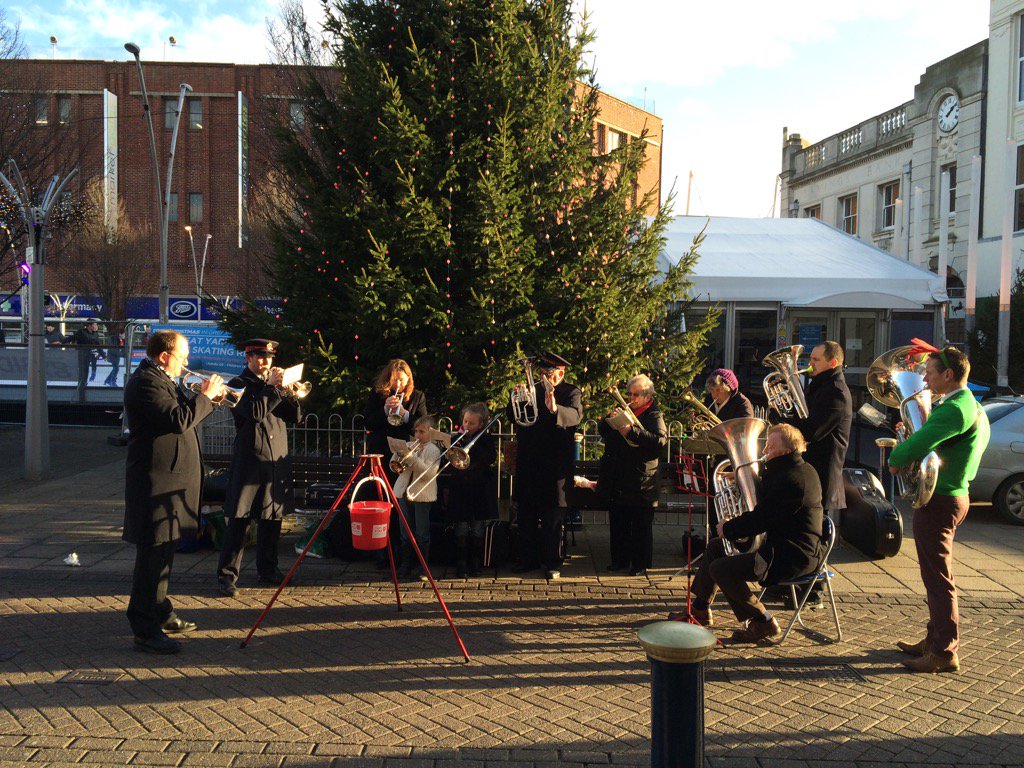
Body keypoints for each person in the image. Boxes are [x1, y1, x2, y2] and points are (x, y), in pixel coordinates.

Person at [671, 424, 825, 644]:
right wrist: (740, 480)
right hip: (780, 546)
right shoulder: (792, 470)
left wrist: (730, 528)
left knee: (720, 569)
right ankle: (700, 609)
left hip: (790, 556)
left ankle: (764, 620)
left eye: (770, 448)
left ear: (786, 451)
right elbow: (768, 506)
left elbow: (761, 519)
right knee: (716, 547)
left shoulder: (793, 480)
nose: (764, 452)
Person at [123, 329, 225, 654]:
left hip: (170, 483)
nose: (186, 363)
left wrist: (206, 398)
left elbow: (185, 411)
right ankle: (145, 629)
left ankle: (161, 612)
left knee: (164, 556)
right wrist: (205, 397)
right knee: (151, 560)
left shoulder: (164, 380)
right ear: (165, 356)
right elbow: (179, 420)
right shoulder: (146, 383)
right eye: (182, 357)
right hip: (155, 484)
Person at [889, 346, 990, 674]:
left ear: (948, 375)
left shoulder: (954, 409)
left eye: (930, 372)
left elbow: (921, 443)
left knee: (938, 579)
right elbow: (935, 440)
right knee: (936, 576)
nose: (925, 378)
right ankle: (934, 641)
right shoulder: (971, 405)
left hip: (941, 499)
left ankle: (944, 652)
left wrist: (897, 456)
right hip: (954, 496)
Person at [216, 339, 302, 597]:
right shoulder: (238, 384)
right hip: (250, 460)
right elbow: (253, 412)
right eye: (261, 356)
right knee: (239, 520)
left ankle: (268, 570)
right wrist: (272, 388)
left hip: (275, 459)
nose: (267, 362)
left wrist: (291, 394)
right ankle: (227, 576)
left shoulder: (274, 386)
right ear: (248, 358)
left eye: (270, 356)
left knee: (272, 519)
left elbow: (294, 418)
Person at [777, 340, 852, 608]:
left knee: (815, 537)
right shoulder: (820, 386)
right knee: (799, 532)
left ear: (833, 362)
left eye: (817, 360)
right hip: (810, 473)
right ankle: (793, 586)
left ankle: (814, 593)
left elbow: (812, 432)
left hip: (822, 475)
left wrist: (785, 420)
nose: (810, 363)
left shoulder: (836, 393)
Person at [508, 351, 583, 580]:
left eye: (548, 373)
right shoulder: (533, 390)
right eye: (541, 373)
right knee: (526, 514)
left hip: (555, 463)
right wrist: (515, 399)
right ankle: (527, 559)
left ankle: (552, 562)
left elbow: (575, 416)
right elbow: (513, 416)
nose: (543, 378)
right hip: (530, 460)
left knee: (552, 518)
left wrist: (554, 409)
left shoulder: (571, 392)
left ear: (560, 372)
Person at [594, 374, 667, 576]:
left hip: (640, 479)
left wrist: (632, 432)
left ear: (646, 396)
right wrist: (608, 421)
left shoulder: (654, 414)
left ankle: (640, 563)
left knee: (640, 525)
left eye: (635, 395)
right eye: (629, 394)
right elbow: (605, 433)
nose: (631, 398)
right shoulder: (626, 410)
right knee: (619, 521)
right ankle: (619, 560)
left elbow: (660, 442)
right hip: (619, 475)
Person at [363, 359, 428, 566]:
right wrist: (384, 410)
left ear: (408, 379)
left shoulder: (417, 397)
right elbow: (368, 421)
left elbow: (423, 424)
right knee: (382, 500)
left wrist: (404, 414)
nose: (397, 385)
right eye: (393, 381)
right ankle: (383, 549)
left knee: (401, 503)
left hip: (404, 457)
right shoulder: (378, 395)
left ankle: (402, 552)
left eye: (401, 380)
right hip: (382, 453)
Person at [445, 403, 498, 578]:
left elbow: (489, 458)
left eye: (472, 423)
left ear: (481, 425)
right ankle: (461, 562)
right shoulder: (457, 438)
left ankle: (476, 562)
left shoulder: (487, 440)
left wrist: (472, 445)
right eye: (465, 421)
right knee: (460, 527)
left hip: (480, 490)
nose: (467, 426)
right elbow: (449, 461)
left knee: (477, 528)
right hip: (460, 489)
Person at [391, 415, 442, 580]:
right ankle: (406, 564)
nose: (418, 435)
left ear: (432, 433)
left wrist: (412, 458)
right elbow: (394, 467)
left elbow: (429, 474)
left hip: (422, 495)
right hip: (403, 493)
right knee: (405, 532)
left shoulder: (433, 450)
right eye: (416, 431)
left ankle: (422, 567)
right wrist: (398, 455)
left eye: (422, 432)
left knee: (421, 532)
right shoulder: (410, 445)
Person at [71, 318, 104, 402]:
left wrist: (103, 354)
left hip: (91, 355)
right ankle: (81, 395)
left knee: (87, 372)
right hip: (83, 356)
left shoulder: (95, 334)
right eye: (95, 324)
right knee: (82, 374)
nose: (96, 326)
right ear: (90, 326)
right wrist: (62, 342)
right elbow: (73, 338)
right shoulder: (82, 332)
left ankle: (83, 393)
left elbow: (97, 345)